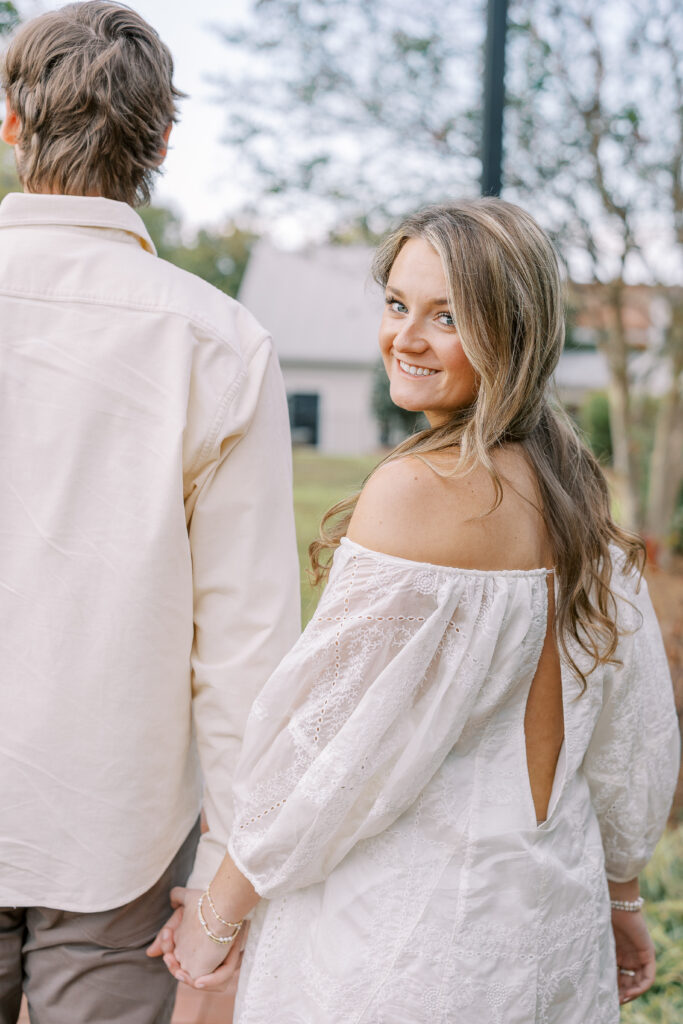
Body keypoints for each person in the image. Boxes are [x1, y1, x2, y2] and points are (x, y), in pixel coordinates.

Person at [156, 199, 680, 1023]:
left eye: (448, 317)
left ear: (514, 333)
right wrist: (621, 900)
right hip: (551, 930)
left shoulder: (417, 493)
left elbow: (327, 757)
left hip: (407, 948)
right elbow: (631, 741)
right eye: (398, 305)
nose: (405, 337)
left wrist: (218, 915)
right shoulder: (577, 491)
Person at [0, 3, 299, 1022]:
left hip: (112, 826)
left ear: (10, 122)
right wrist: (225, 872)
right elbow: (248, 645)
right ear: (163, 143)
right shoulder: (218, 342)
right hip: (118, 826)